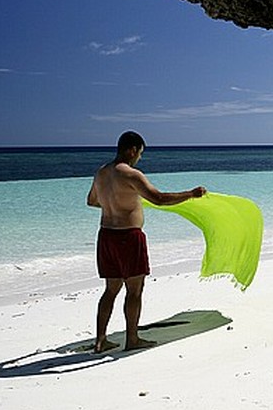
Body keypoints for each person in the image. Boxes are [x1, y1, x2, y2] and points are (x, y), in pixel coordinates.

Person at [87, 131, 206, 353]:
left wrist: (118, 204)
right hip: (128, 237)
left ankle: (100, 341)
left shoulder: (101, 173)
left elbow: (92, 201)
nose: (139, 158)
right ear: (132, 150)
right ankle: (132, 339)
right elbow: (159, 199)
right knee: (134, 290)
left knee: (110, 290)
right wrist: (190, 193)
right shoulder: (132, 175)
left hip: (106, 236)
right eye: (140, 153)